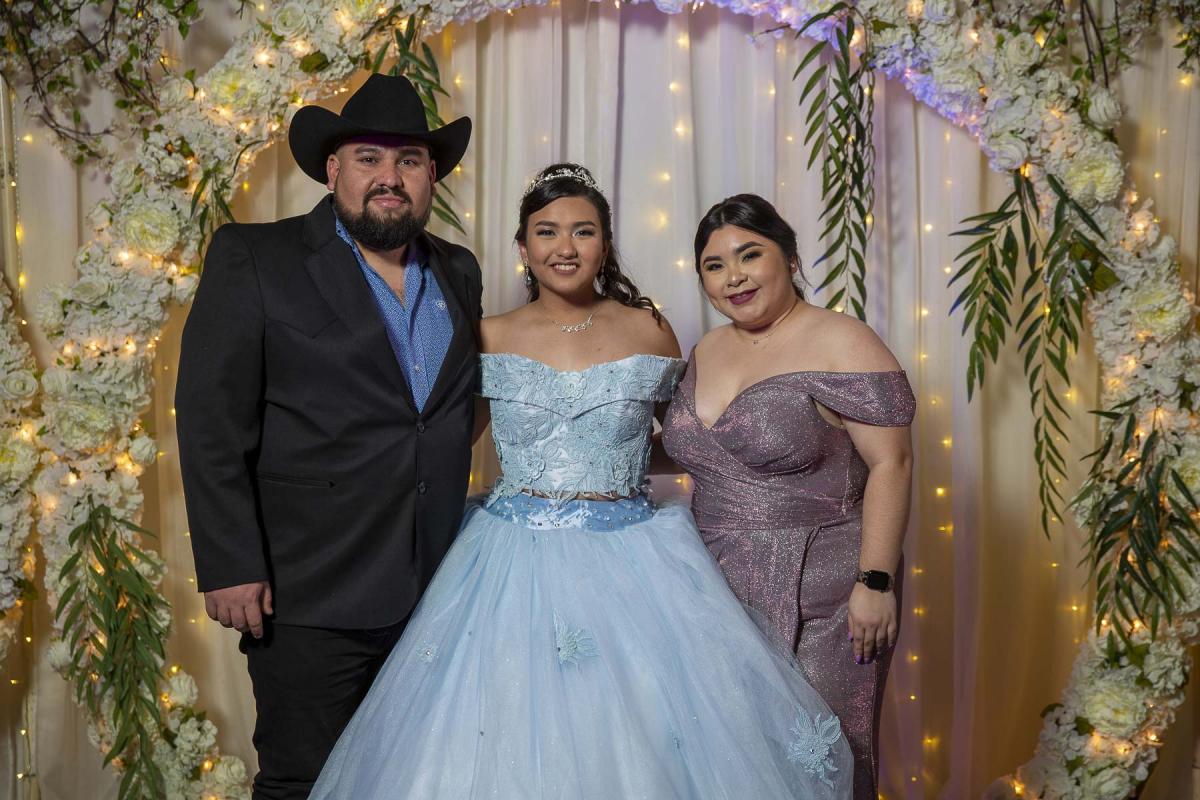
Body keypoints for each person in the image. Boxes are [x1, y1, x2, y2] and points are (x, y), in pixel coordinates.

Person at [308, 164, 853, 799]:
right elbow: (443, 443)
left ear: (605, 244)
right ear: (523, 247)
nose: (564, 247)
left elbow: (686, 442)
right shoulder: (488, 335)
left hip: (635, 554)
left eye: (583, 231)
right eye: (547, 232)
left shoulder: (649, 328)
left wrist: (780, 483)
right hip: (508, 559)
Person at [175, 74, 481, 800]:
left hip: (437, 589)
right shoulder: (257, 257)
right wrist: (229, 562)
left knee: (419, 780)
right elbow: (211, 419)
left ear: (431, 177)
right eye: (369, 158)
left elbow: (445, 412)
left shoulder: (458, 270)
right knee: (304, 781)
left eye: (409, 161)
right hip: (309, 590)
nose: (389, 177)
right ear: (333, 168)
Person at [661, 194, 915, 799]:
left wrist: (875, 582)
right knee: (728, 759)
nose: (734, 276)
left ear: (791, 258)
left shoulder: (842, 339)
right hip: (714, 583)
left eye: (750, 255)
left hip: (823, 586)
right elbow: (705, 454)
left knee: (820, 759)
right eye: (715, 265)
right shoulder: (706, 349)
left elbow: (893, 463)